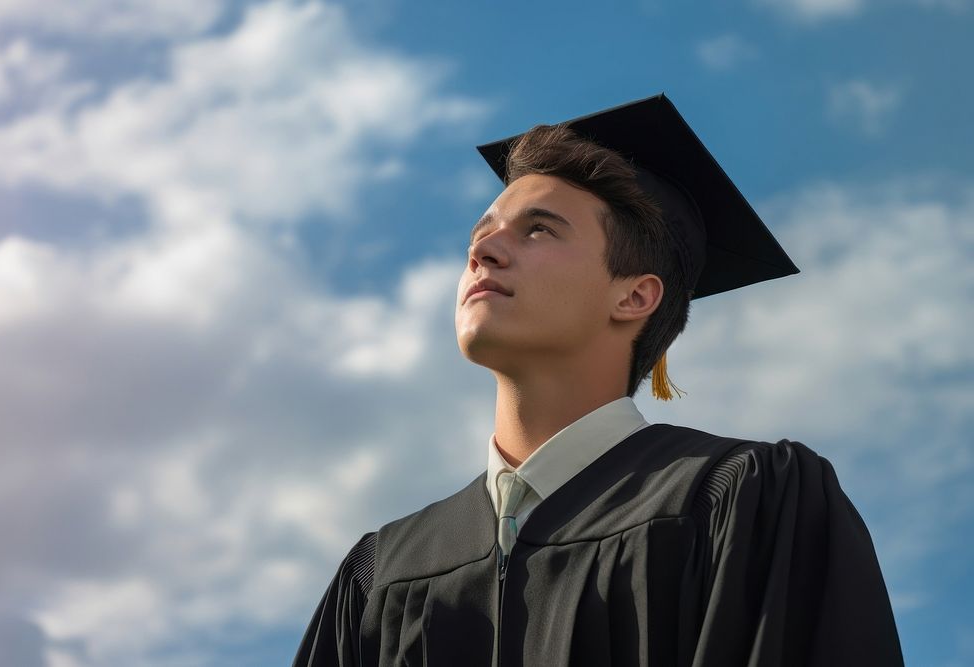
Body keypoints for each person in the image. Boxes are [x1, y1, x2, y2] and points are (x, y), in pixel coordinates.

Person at [292, 93, 904, 666]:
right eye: (480, 236)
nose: (484, 252)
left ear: (635, 296)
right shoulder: (382, 574)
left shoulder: (738, 503)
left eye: (538, 230)